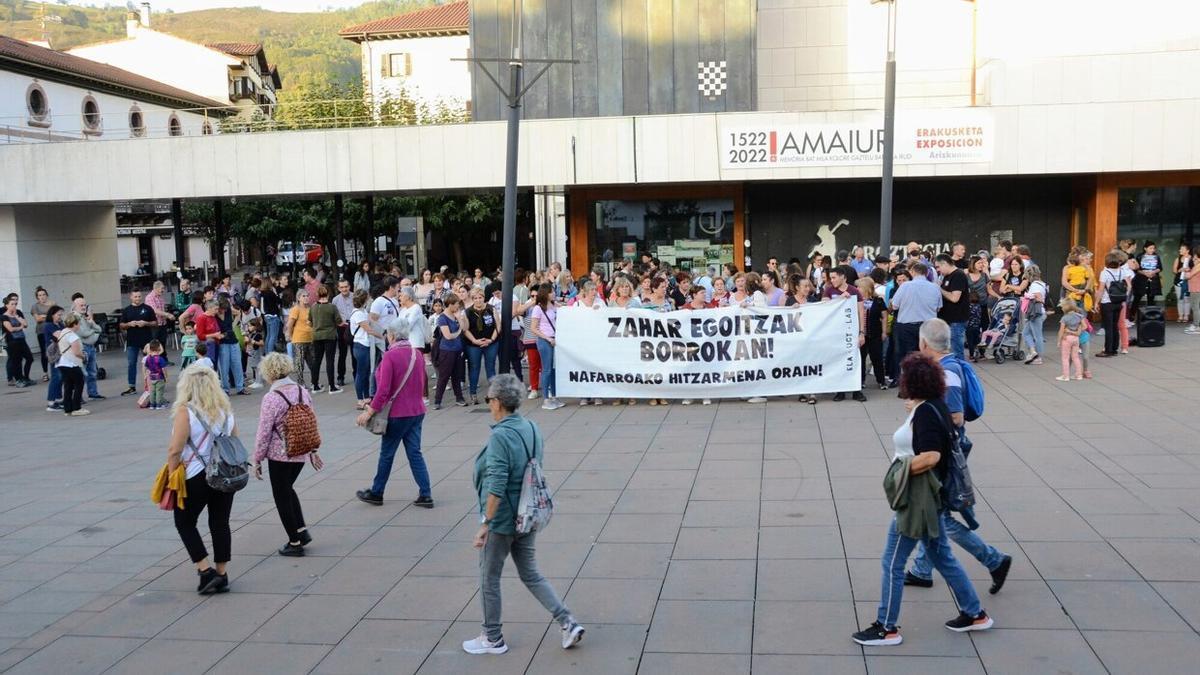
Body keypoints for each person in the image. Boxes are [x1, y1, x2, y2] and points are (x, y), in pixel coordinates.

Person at [851, 351, 994, 647]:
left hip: (919, 499)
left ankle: (886, 627)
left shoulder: (928, 412)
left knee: (892, 561)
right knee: (942, 555)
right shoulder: (933, 406)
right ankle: (975, 613)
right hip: (933, 497)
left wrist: (900, 471)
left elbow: (931, 455)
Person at [463, 373, 584, 655]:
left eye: (489, 399)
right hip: (527, 514)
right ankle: (567, 621)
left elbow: (496, 483)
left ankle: (492, 637)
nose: (489, 404)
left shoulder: (500, 437)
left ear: (498, 403)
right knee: (530, 573)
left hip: (504, 518)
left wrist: (485, 523)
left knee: (489, 576)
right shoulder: (531, 427)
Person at [903, 319, 1012, 594]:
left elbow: (956, 417)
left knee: (939, 516)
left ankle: (993, 560)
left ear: (924, 343)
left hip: (943, 454)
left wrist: (920, 410)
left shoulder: (946, 373)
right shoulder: (949, 366)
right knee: (935, 512)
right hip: (946, 450)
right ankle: (921, 569)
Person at [166, 364, 239, 595]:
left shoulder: (185, 412)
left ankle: (205, 570)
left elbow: (175, 449)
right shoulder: (226, 411)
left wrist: (171, 475)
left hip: (195, 475)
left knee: (185, 522)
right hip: (224, 474)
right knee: (220, 523)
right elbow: (235, 442)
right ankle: (221, 573)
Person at [356, 317, 432, 508]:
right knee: (415, 453)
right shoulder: (417, 355)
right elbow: (422, 384)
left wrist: (369, 412)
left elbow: (383, 391)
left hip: (398, 414)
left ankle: (377, 492)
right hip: (417, 411)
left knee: (387, 454)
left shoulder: (390, 357)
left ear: (391, 336)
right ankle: (426, 494)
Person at [253, 352, 323, 557]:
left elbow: (264, 431)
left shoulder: (272, 398)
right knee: (288, 489)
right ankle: (301, 531)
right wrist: (313, 450)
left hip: (280, 454)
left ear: (269, 372)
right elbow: (310, 419)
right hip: (301, 450)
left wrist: (257, 458)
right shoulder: (302, 390)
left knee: (281, 495)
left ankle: (294, 542)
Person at [889, 262, 941, 370]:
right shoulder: (935, 287)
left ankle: (910, 378)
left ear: (912, 272)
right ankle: (926, 376)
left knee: (908, 355)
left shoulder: (905, 286)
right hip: (928, 326)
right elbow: (938, 307)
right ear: (926, 273)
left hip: (907, 325)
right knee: (927, 354)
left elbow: (894, 306)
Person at [462, 288, 499, 406]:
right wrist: (474, 341)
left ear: (484, 298)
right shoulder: (467, 312)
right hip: (474, 344)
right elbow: (465, 329)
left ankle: (492, 395)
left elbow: (498, 326)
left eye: (480, 297)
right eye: (475, 298)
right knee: (474, 368)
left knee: (491, 367)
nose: (478, 300)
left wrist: (491, 339)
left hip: (491, 342)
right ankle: (473, 394)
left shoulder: (491, 309)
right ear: (472, 299)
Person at [529, 284, 564, 410]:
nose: (554, 293)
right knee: (547, 369)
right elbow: (533, 328)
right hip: (545, 340)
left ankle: (554, 396)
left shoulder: (554, 305)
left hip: (554, 339)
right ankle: (546, 398)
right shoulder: (538, 308)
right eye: (551, 292)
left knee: (554, 369)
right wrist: (548, 338)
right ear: (545, 293)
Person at [119, 289, 158, 396]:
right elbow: (121, 325)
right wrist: (129, 324)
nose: (137, 298)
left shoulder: (147, 308)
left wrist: (145, 323)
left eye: (139, 296)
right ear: (131, 297)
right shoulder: (127, 310)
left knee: (151, 363)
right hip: (132, 341)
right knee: (131, 363)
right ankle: (131, 386)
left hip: (146, 340)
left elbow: (155, 322)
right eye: (135, 296)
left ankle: (154, 383)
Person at [432, 295, 468, 409]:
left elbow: (465, 328)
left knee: (457, 375)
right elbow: (448, 336)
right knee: (444, 376)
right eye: (456, 304)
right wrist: (458, 332)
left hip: (458, 349)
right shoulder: (442, 318)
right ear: (451, 304)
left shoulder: (456, 315)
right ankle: (437, 401)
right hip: (447, 350)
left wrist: (461, 319)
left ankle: (459, 398)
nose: (458, 306)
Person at [1096, 250, 1134, 357]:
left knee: (1108, 327)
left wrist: (1096, 302)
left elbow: (1101, 289)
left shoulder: (1105, 273)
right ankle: (1114, 349)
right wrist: (1124, 295)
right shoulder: (1122, 272)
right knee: (1115, 326)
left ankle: (1108, 350)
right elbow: (1129, 286)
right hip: (1119, 302)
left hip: (1107, 302)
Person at [349, 290, 382, 409]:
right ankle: (360, 399)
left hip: (364, 345)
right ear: (364, 300)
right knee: (361, 373)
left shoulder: (362, 311)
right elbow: (369, 330)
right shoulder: (358, 314)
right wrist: (382, 336)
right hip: (360, 345)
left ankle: (366, 397)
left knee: (366, 371)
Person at [308, 285, 344, 394]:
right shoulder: (332, 307)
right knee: (330, 361)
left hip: (316, 336)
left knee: (316, 361)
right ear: (328, 294)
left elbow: (309, 321)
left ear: (317, 295)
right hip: (329, 336)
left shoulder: (313, 307)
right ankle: (332, 386)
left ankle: (315, 385)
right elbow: (339, 321)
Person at [69, 294, 104, 400]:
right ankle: (78, 397)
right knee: (82, 373)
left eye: (85, 305)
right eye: (81, 305)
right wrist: (94, 331)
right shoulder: (74, 318)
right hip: (82, 348)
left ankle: (93, 393)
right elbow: (83, 333)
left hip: (90, 347)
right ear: (75, 306)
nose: (84, 307)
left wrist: (92, 324)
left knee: (92, 372)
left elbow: (99, 329)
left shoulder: (85, 317)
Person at [935, 254, 970, 359]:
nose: (938, 270)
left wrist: (939, 289)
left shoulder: (958, 275)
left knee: (956, 351)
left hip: (956, 320)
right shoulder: (947, 276)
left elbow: (955, 298)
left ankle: (959, 372)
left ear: (945, 263)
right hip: (948, 318)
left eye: (938, 267)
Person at [859, 278, 888, 390]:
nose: (858, 289)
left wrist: (884, 331)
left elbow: (884, 316)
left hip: (875, 334)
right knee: (861, 358)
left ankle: (881, 380)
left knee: (877, 358)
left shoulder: (878, 301)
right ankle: (861, 381)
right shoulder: (857, 300)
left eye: (860, 287)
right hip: (861, 335)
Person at [57, 313, 88, 416]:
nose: (79, 325)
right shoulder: (73, 336)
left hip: (62, 363)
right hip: (72, 363)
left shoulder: (63, 332)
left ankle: (68, 409)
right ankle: (76, 408)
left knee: (68, 386)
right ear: (74, 324)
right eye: (78, 323)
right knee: (79, 384)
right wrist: (83, 356)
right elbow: (77, 353)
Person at [2, 294, 35, 387]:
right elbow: (10, 329)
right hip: (12, 341)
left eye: (15, 304)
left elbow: (25, 324)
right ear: (7, 305)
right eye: (12, 304)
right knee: (16, 361)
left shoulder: (18, 313)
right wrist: (20, 327)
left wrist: (16, 316)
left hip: (21, 339)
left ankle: (26, 377)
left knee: (29, 358)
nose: (14, 306)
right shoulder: (4, 316)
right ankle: (18, 380)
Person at [216, 299, 248, 395]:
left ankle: (240, 387)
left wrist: (233, 325)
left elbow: (238, 313)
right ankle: (225, 389)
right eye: (223, 309)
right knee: (224, 367)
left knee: (237, 364)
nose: (225, 311)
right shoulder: (214, 315)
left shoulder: (229, 310)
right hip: (222, 342)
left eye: (226, 309)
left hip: (233, 340)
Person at [1020, 265, 1049, 365]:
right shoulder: (1042, 284)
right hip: (1038, 312)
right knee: (1026, 333)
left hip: (1036, 313)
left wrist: (1028, 297)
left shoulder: (1034, 285)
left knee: (1037, 336)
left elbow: (1039, 298)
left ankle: (1038, 357)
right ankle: (1033, 352)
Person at [286, 289, 314, 389]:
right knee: (300, 362)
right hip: (299, 339)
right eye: (303, 296)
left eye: (307, 295)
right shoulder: (296, 309)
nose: (306, 298)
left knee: (313, 362)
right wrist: (289, 335)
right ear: (298, 298)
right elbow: (290, 324)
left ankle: (314, 381)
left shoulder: (310, 308)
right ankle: (300, 383)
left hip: (310, 338)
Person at [332, 279, 355, 387]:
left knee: (354, 353)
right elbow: (333, 315)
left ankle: (357, 375)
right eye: (342, 287)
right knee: (342, 353)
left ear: (349, 286)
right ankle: (340, 377)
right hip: (342, 328)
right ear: (338, 288)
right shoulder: (335, 300)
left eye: (346, 286)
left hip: (354, 327)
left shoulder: (355, 296)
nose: (344, 289)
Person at [1056, 298, 1086, 382]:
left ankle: (1066, 376)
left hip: (1067, 338)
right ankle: (1079, 374)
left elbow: (1061, 330)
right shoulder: (1079, 316)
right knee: (1075, 357)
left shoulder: (1064, 318)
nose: (1061, 308)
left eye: (1062, 307)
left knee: (1065, 357)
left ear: (1066, 307)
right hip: (1076, 338)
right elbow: (1085, 326)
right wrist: (1077, 331)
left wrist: (1059, 340)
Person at [43, 305, 65, 411]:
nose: (60, 317)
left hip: (62, 352)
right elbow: (60, 335)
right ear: (52, 315)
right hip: (54, 353)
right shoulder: (48, 325)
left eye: (61, 314)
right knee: (56, 377)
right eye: (58, 315)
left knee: (61, 377)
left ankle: (58, 399)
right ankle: (51, 402)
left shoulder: (60, 324)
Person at [1132, 241, 1162, 319]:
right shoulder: (1140, 256)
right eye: (1150, 248)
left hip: (1153, 280)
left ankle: (1150, 317)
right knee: (1137, 298)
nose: (1152, 250)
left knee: (1151, 298)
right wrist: (1145, 273)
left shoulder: (1156, 256)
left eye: (1153, 248)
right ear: (1145, 248)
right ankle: (1131, 316)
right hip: (1141, 280)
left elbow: (1160, 268)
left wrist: (1154, 272)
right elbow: (1136, 269)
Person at [147, 281, 176, 363]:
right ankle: (153, 361)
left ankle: (163, 360)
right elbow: (154, 310)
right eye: (162, 288)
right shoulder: (150, 298)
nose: (163, 290)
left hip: (162, 323)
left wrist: (166, 317)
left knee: (162, 342)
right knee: (154, 343)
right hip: (155, 325)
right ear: (156, 288)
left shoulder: (160, 297)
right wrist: (167, 315)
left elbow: (162, 310)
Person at [1061, 247, 1094, 314]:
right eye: (1083, 255)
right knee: (1071, 316)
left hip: (1083, 295)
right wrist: (1077, 290)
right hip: (1071, 295)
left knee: (1083, 316)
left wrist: (1084, 290)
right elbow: (1064, 282)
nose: (1084, 258)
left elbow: (1090, 279)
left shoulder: (1086, 266)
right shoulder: (1067, 267)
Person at [30, 287, 53, 383]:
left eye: (43, 294)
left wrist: (43, 316)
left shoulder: (52, 304)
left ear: (46, 295)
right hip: (41, 331)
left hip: (52, 330)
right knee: (44, 352)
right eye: (40, 295)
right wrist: (48, 316)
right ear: (37, 297)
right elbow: (38, 319)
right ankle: (45, 373)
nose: (42, 297)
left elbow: (56, 317)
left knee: (55, 350)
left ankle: (57, 371)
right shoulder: (35, 306)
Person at [144, 340, 169, 410]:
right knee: (159, 391)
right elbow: (164, 369)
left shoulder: (148, 359)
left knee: (152, 391)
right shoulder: (160, 359)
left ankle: (152, 404)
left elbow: (146, 368)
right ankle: (159, 404)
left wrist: (146, 376)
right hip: (160, 377)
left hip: (152, 377)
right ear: (158, 349)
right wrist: (166, 377)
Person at [1174, 243, 1194, 325]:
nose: (1180, 250)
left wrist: (1189, 269)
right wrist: (1180, 270)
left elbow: (1196, 269)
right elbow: (1174, 271)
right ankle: (1180, 316)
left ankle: (1186, 316)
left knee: (1187, 299)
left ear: (1187, 250)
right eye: (1180, 249)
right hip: (1179, 281)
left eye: (1182, 249)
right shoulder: (1177, 259)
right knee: (1180, 299)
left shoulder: (1193, 259)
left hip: (1189, 281)